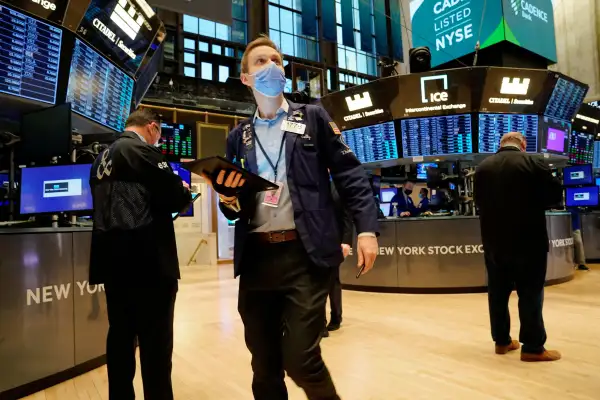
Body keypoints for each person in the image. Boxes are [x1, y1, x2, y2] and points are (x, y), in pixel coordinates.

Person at [204, 35, 379, 400]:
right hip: (257, 260)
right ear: (246, 79)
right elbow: (232, 205)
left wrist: (366, 230)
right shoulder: (239, 137)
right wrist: (228, 199)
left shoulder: (312, 117)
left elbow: (349, 175)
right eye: (261, 63)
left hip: (305, 255)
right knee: (264, 367)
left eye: (276, 60)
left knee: (300, 357)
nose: (271, 67)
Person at [89, 109, 192, 399]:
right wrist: (183, 190)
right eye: (158, 134)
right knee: (156, 350)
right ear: (152, 128)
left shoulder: (101, 159)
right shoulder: (143, 152)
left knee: (120, 341)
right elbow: (174, 197)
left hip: (113, 267)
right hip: (150, 268)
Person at [474, 132, 563, 362]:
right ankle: (533, 347)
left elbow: (478, 202)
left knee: (497, 294)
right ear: (522, 145)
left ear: (500, 145)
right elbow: (555, 196)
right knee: (530, 294)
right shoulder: (534, 163)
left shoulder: (483, 167)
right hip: (529, 242)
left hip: (494, 243)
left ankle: (501, 342)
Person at [322, 181, 354, 337]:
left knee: (332, 281)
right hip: (314, 240)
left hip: (334, 241)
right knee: (315, 282)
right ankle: (319, 323)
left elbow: (347, 216)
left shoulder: (340, 186)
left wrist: (347, 240)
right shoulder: (310, 184)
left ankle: (336, 317)